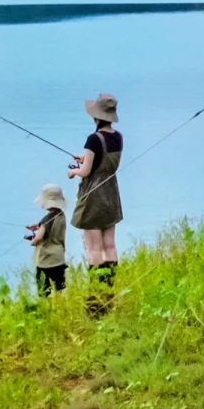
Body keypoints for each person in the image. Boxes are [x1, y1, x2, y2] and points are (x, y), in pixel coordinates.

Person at [69, 93, 123, 311]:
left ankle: (96, 298)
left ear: (96, 117)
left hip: (93, 194)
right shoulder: (118, 136)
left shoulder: (93, 139)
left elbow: (86, 171)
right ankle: (111, 288)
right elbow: (104, 163)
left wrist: (74, 172)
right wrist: (85, 159)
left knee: (94, 248)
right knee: (110, 244)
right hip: (111, 192)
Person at [27, 184, 69, 297]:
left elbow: (39, 237)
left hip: (46, 260)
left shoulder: (46, 219)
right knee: (60, 286)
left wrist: (33, 241)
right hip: (59, 257)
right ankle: (61, 305)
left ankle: (47, 307)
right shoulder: (61, 215)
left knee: (44, 289)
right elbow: (51, 227)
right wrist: (39, 226)